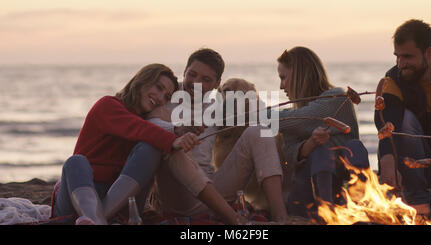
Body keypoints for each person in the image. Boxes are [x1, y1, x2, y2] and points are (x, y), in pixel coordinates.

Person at [149, 48, 288, 223]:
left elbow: (259, 115)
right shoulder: (165, 96)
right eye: (192, 75)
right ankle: (236, 220)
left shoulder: (218, 108)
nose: (196, 83)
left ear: (217, 84)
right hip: (177, 198)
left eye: (206, 80)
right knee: (176, 146)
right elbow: (150, 124)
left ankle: (281, 217)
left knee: (260, 130)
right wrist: (178, 129)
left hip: (215, 194)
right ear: (184, 71)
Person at [52, 64, 200, 225]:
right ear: (142, 80)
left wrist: (184, 131)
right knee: (75, 161)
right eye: (158, 88)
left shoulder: (149, 125)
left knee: (151, 149)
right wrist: (174, 138)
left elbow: (148, 131)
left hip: (120, 202)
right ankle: (98, 220)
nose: (159, 98)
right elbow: (135, 128)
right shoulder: (108, 105)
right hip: (79, 195)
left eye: (166, 96)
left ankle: (97, 220)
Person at [276, 47, 370, 219]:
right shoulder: (293, 118)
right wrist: (311, 143)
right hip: (308, 198)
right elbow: (290, 156)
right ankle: (326, 214)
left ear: (299, 75)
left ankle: (360, 203)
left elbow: (306, 117)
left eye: (284, 77)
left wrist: (255, 115)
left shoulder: (336, 99)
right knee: (320, 151)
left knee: (355, 146)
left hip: (341, 188)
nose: (281, 86)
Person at [374, 19, 431, 217]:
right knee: (404, 120)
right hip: (414, 163)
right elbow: (386, 127)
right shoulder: (393, 80)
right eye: (397, 56)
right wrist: (388, 167)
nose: (401, 64)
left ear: (430, 52)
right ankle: (418, 204)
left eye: (407, 56)